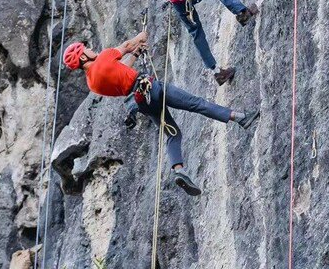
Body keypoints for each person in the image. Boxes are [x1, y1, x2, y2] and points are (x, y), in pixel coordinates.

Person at [63, 32, 259, 196]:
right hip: (152, 88)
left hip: (142, 102)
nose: (91, 49)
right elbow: (126, 45)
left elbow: (120, 71)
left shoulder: (92, 84)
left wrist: (136, 54)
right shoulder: (103, 58)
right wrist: (139, 38)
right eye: (86, 48)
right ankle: (241, 118)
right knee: (196, 104)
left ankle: (179, 170)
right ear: (82, 57)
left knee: (172, 135)